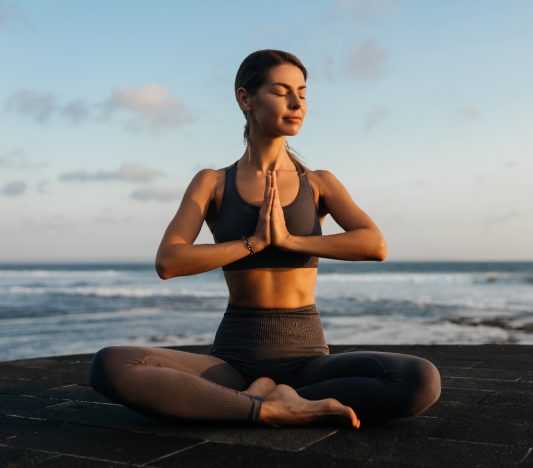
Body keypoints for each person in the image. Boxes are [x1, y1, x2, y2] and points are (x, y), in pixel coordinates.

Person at [89, 49, 441, 429]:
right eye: (281, 91)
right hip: (233, 361)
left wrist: (290, 241)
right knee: (111, 364)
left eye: (303, 94)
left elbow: (374, 244)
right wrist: (252, 243)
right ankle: (268, 407)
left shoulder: (318, 182)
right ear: (246, 98)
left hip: (307, 361)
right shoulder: (212, 183)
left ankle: (266, 400)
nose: (296, 104)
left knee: (420, 379)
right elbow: (169, 261)